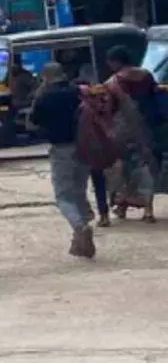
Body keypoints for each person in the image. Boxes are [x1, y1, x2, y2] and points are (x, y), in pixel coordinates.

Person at [30, 63, 95, 258]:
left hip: (61, 149)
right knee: (79, 191)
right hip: (84, 146)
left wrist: (39, 93)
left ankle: (80, 227)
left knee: (63, 196)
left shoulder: (45, 97)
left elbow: (33, 122)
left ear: (46, 77)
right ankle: (82, 238)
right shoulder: (77, 92)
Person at [104, 45, 158, 223]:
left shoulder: (113, 82)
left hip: (122, 130)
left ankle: (121, 206)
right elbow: (155, 97)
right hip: (147, 128)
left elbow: (108, 109)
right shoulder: (147, 75)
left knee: (120, 168)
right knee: (146, 166)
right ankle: (148, 210)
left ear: (116, 62)